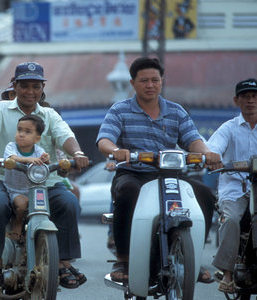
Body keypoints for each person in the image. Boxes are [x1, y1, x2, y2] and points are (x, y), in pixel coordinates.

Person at [96, 57, 221, 283]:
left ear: (162, 81)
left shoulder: (176, 111)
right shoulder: (120, 110)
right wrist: (116, 150)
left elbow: (193, 140)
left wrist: (207, 153)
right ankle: (123, 259)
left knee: (204, 195)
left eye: (155, 80)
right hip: (133, 173)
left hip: (170, 175)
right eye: (144, 81)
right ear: (133, 83)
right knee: (126, 194)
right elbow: (104, 139)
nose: (150, 85)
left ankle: (193, 256)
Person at [0, 61, 89, 289]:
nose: (30, 91)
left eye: (36, 86)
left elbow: (65, 135)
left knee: (70, 203)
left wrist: (78, 153)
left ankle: (63, 262)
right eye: (24, 85)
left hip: (44, 181)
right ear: (14, 86)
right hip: (3, 179)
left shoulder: (49, 114)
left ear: (43, 88)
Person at [207, 78, 257, 293]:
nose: (251, 101)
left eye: (255, 96)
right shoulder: (228, 128)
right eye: (245, 97)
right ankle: (227, 274)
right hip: (234, 188)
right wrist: (213, 157)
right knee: (232, 220)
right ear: (236, 100)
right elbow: (212, 148)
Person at [3, 115, 50, 240]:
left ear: (37, 138)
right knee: (22, 204)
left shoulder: (39, 151)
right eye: (19, 130)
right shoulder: (11, 147)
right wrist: (28, 159)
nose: (21, 134)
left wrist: (46, 159)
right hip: (14, 190)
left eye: (27, 132)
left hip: (34, 190)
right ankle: (17, 223)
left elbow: (44, 162)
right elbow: (12, 158)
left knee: (46, 208)